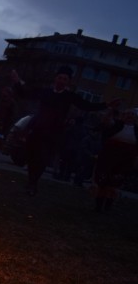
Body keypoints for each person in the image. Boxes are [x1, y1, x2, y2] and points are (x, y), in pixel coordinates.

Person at [23, 66, 119, 195]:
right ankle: (31, 181)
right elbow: (26, 94)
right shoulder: (45, 92)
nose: (61, 81)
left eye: (65, 79)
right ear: (55, 78)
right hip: (37, 128)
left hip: (53, 132)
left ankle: (33, 183)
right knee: (32, 156)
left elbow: (86, 105)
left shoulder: (69, 96)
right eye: (60, 78)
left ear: (68, 82)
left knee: (43, 158)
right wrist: (17, 82)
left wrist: (106, 104)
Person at [93, 108, 138, 212]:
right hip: (108, 157)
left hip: (125, 161)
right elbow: (106, 122)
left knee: (115, 183)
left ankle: (108, 207)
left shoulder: (137, 130)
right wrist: (110, 110)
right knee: (102, 181)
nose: (129, 116)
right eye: (127, 114)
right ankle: (98, 206)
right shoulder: (116, 125)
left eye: (132, 115)